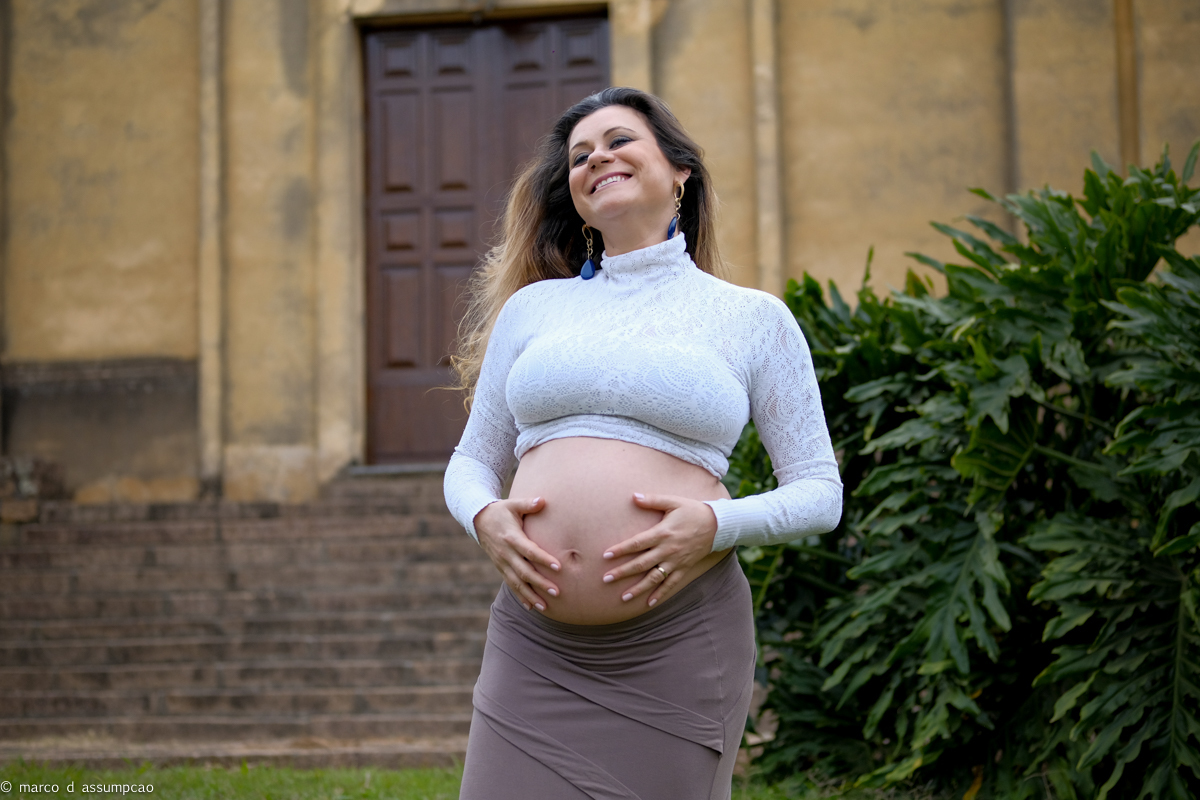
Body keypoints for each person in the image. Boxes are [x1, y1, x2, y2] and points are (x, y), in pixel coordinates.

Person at [444, 87, 842, 800]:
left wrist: (715, 525)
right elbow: (474, 460)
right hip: (533, 642)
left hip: (680, 639)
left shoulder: (753, 320)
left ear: (680, 172)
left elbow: (819, 493)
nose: (597, 157)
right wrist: (485, 516)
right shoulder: (534, 310)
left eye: (619, 140)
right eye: (579, 155)